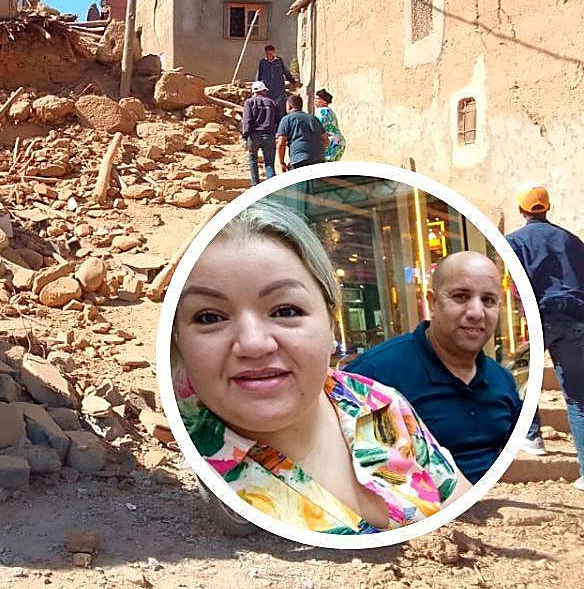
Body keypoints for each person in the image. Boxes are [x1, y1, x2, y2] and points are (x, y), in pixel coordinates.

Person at [173, 200, 471, 534]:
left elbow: (465, 508)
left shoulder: (376, 402)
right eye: (209, 317)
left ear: (331, 321)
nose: (254, 344)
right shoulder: (178, 459)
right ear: (178, 340)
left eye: (286, 311)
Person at [347, 252, 522, 484]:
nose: (476, 312)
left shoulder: (502, 379)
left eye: (488, 300)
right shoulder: (373, 375)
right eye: (461, 297)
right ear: (432, 302)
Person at [505, 186, 584, 489]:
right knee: (578, 398)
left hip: (540, 317)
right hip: (576, 319)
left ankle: (532, 437)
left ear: (521, 210)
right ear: (547, 208)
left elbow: (516, 284)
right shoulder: (572, 240)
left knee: (523, 380)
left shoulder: (514, 241)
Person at [242, 80, 280, 185]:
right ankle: (271, 188)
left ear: (254, 92)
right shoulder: (272, 103)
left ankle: (255, 185)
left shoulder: (249, 102)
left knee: (253, 160)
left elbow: (247, 120)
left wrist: (245, 135)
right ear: (263, 91)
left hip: (253, 136)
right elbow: (278, 120)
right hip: (269, 136)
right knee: (269, 163)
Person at [276, 95, 328, 171]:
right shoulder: (313, 118)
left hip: (299, 159)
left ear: (289, 106)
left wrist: (282, 162)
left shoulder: (286, 119)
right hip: (319, 159)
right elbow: (326, 140)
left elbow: (281, 143)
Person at [255, 44, 300, 118]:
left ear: (274, 52)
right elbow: (259, 76)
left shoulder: (279, 61)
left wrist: (293, 82)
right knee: (269, 109)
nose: (269, 55)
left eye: (270, 53)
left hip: (279, 90)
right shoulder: (262, 62)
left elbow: (285, 72)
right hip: (268, 90)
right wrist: (257, 87)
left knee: (280, 109)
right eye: (267, 54)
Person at [313, 89, 346, 162]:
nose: (315, 100)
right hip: (339, 142)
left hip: (331, 142)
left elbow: (317, 128)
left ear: (324, 102)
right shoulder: (330, 111)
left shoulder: (321, 111)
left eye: (317, 98)